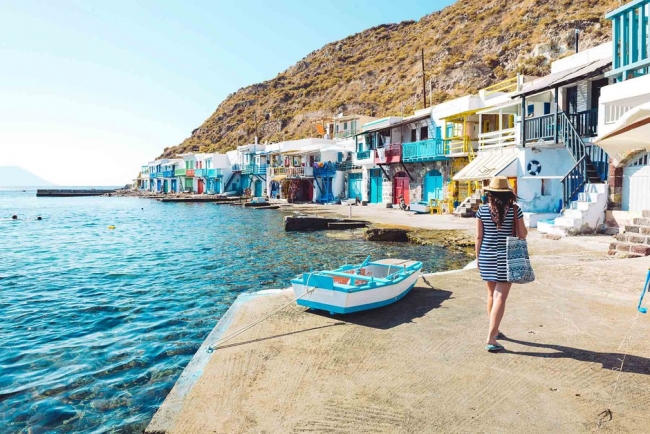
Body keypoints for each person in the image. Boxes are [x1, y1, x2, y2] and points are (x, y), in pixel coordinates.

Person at [475, 176, 527, 352]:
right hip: (507, 258)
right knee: (500, 297)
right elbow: (523, 234)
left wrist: (477, 258)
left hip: (486, 256)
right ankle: (491, 338)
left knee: (491, 295)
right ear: (508, 194)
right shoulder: (515, 210)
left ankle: (495, 331)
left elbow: (478, 237)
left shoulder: (481, 211)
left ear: (490, 193)